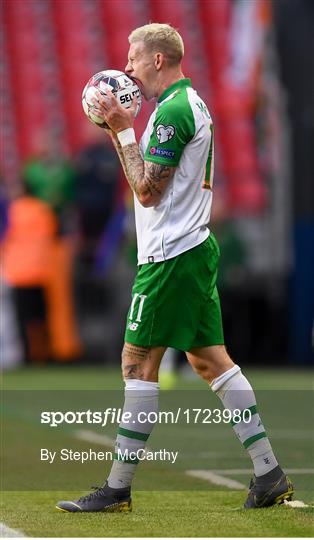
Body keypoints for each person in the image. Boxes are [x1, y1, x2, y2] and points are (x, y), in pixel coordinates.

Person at [56, 23, 293, 513]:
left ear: (158, 60)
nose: (126, 65)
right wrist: (124, 131)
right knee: (211, 361)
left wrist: (121, 130)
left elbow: (146, 190)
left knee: (137, 362)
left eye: (133, 55)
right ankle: (269, 473)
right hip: (191, 248)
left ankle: (117, 489)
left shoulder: (173, 113)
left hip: (170, 256)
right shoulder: (186, 104)